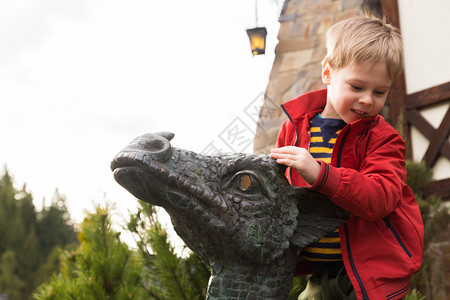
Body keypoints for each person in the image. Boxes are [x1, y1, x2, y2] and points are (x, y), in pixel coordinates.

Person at [270, 15, 424, 300]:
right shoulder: (293, 129)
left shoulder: (383, 138)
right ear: (328, 72)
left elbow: (381, 198)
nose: (368, 99)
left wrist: (320, 173)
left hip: (368, 278)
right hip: (316, 273)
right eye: (356, 87)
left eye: (380, 92)